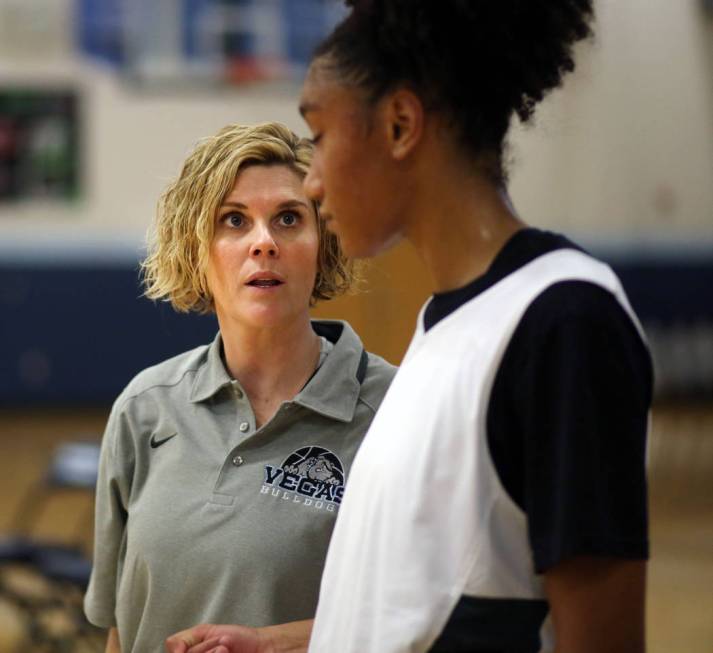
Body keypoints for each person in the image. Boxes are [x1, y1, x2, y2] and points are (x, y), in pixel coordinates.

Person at [167, 1, 652, 652]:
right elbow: (414, 612)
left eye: (319, 138)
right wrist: (273, 644)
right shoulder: (442, 324)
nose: (310, 181)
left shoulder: (563, 320)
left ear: (398, 125)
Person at [82, 121, 396, 653]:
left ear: (324, 244)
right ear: (196, 249)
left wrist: (272, 644)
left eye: (289, 219)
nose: (264, 243)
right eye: (234, 220)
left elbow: (427, 621)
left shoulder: (394, 410)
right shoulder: (144, 409)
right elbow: (121, 630)